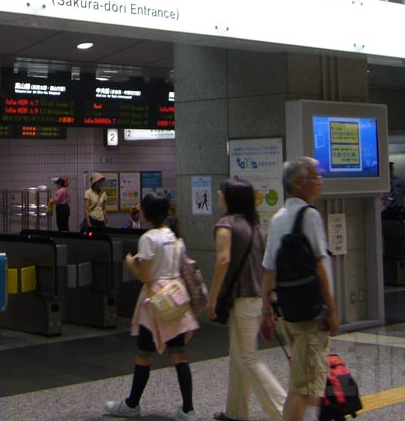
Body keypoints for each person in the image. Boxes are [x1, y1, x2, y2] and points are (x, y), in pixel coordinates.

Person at [104, 194, 198, 420]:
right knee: (178, 354)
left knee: (143, 354)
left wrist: (129, 264)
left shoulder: (148, 238)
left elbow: (145, 275)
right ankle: (188, 409)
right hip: (175, 298)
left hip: (154, 301)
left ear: (145, 213)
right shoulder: (175, 237)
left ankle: (131, 405)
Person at [260, 157, 338, 421]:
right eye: (314, 177)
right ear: (297, 184)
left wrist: (265, 311)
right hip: (312, 312)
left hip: (290, 310)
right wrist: (332, 308)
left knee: (311, 379)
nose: (319, 182)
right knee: (302, 386)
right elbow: (318, 265)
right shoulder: (310, 216)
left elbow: (269, 269)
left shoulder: (279, 217)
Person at [207, 177, 286, 421]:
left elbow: (223, 260)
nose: (218, 196)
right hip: (255, 299)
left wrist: (212, 299)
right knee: (238, 355)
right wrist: (267, 304)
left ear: (230, 198)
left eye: (221, 193)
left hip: (240, 299)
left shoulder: (226, 225)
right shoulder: (257, 228)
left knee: (248, 357)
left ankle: (286, 411)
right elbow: (266, 268)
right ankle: (236, 412)